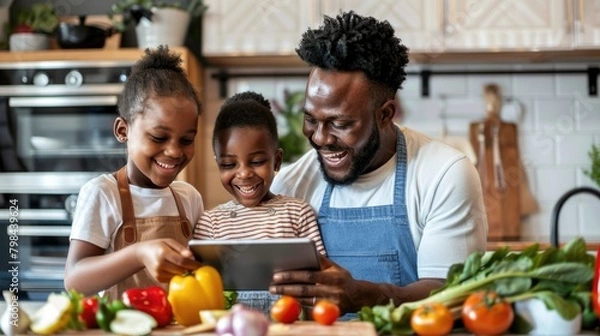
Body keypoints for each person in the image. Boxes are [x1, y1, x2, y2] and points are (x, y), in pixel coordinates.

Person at [268, 11, 488, 317]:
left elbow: (453, 294)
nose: (319, 138)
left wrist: (367, 296)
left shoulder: (444, 174)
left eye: (340, 124)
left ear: (385, 115)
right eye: (310, 119)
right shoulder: (290, 185)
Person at [64, 46, 204, 299]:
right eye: (158, 137)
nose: (174, 151)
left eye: (186, 140)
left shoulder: (189, 198)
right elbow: (74, 279)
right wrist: (139, 253)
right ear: (122, 130)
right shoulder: (103, 194)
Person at [194, 91, 325, 313]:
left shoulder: (298, 212)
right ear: (218, 164)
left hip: (289, 322)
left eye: (256, 161)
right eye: (228, 165)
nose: (244, 174)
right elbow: (198, 286)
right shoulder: (211, 221)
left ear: (278, 160)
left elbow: (322, 279)